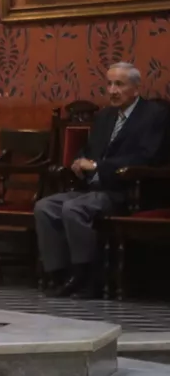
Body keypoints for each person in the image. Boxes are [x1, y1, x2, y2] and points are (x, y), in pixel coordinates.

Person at [34, 62, 169, 298]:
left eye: (119, 84)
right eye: (109, 84)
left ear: (136, 88)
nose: (112, 91)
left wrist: (98, 166)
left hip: (129, 190)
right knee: (45, 207)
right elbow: (88, 149)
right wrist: (79, 161)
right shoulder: (106, 116)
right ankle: (59, 274)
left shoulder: (154, 115)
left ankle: (86, 278)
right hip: (94, 188)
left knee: (73, 208)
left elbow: (149, 155)